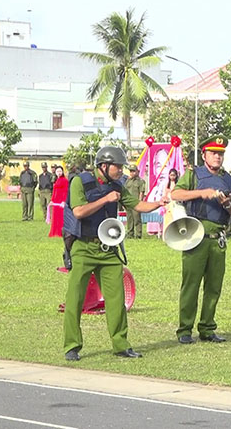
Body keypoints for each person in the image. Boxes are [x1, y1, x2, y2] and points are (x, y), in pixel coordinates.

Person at [62, 146, 168, 361]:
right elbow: (79, 211)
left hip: (108, 248)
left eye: (121, 167)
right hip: (83, 247)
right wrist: (105, 200)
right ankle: (72, 346)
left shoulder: (118, 186)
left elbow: (137, 205)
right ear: (103, 166)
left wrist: (158, 203)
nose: (121, 171)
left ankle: (121, 344)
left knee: (116, 299)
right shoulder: (80, 182)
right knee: (75, 298)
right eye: (117, 167)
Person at [170, 136, 231, 345]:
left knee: (214, 286)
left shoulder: (228, 180)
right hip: (195, 235)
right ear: (204, 155)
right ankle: (185, 329)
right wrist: (201, 193)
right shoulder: (193, 174)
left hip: (217, 238)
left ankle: (208, 327)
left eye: (220, 153)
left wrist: (227, 204)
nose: (217, 157)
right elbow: (175, 193)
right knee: (190, 284)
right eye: (213, 153)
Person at [123, 165, 146, 239]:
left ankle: (138, 234)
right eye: (131, 171)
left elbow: (141, 193)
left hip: (136, 203)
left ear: (137, 172)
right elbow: (125, 191)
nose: (132, 173)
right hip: (128, 203)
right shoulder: (128, 181)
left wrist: (140, 202)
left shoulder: (140, 181)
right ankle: (130, 234)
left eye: (133, 171)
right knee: (129, 219)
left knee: (137, 219)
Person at [48, 166, 68, 237]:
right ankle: (55, 232)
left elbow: (65, 191)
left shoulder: (64, 180)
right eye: (57, 171)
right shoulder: (57, 180)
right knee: (55, 217)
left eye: (60, 171)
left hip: (61, 201)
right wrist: (52, 200)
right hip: (56, 201)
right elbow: (54, 191)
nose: (59, 173)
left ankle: (61, 232)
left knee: (60, 217)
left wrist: (63, 200)